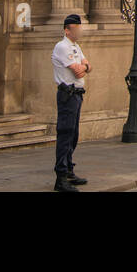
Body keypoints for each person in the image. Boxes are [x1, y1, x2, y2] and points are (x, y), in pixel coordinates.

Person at [52, 14, 91, 191]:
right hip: (67, 95)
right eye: (76, 28)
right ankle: (60, 178)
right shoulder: (62, 47)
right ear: (67, 30)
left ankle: (68, 170)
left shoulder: (76, 46)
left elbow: (88, 67)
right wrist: (84, 67)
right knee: (65, 134)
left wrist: (85, 67)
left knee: (73, 135)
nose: (79, 31)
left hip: (77, 95)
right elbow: (78, 70)